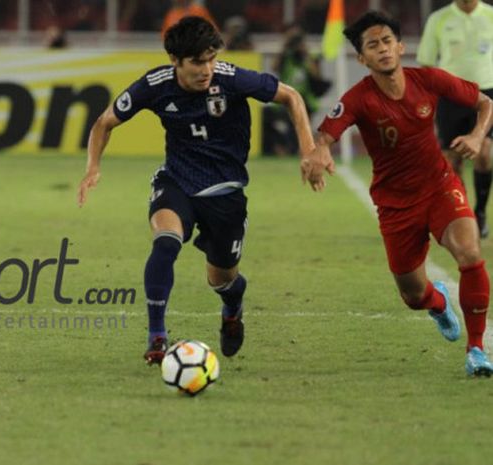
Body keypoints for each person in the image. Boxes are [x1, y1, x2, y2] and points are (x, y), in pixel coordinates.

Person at [79, 16, 327, 364]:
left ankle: (232, 307)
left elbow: (291, 96)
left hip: (225, 193)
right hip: (177, 181)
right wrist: (93, 166)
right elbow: (105, 122)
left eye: (210, 58)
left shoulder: (232, 78)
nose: (207, 68)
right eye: (197, 62)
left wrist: (307, 150)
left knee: (222, 279)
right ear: (175, 61)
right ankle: (156, 337)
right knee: (165, 243)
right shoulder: (155, 85)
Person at [304, 11, 493, 376]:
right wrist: (319, 153)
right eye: (372, 45)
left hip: (439, 186)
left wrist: (476, 135)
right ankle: (437, 302)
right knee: (413, 296)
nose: (383, 49)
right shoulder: (358, 98)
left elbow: (486, 103)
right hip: (395, 205)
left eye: (387, 41)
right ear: (362, 59)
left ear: (401, 46)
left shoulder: (429, 79)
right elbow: (325, 135)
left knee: (470, 253)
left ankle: (476, 351)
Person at [416, 0, 493, 238]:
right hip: (451, 96)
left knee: (485, 151)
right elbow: (427, 62)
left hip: (488, 93)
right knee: (451, 160)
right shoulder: (438, 19)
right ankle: (462, 214)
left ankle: (479, 212)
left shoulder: (490, 16)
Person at [263, 25, 330, 155]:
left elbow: (316, 75)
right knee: (267, 117)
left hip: (304, 100)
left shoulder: (308, 57)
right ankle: (280, 148)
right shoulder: (286, 56)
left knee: (300, 128)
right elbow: (274, 67)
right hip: (284, 99)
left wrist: (305, 54)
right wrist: (285, 47)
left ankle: (299, 149)